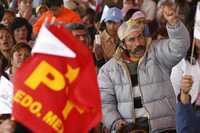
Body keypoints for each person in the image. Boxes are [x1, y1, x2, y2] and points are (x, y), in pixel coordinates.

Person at [98, 3, 190, 133]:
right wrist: (116, 122)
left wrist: (174, 23)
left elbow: (180, 47)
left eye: (140, 36)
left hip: (164, 127)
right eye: (131, 40)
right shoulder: (108, 70)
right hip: (129, 129)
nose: (138, 43)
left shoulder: (157, 52)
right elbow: (105, 102)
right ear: (123, 44)